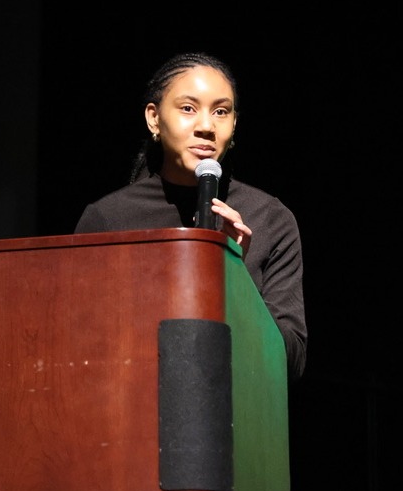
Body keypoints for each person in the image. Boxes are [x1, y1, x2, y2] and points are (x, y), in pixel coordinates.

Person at [74, 52, 307, 381]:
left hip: (238, 418)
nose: (206, 126)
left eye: (221, 111)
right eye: (188, 108)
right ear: (154, 118)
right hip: (131, 416)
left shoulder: (270, 219)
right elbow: (78, 346)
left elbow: (291, 361)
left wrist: (233, 273)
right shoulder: (108, 219)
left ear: (234, 123)